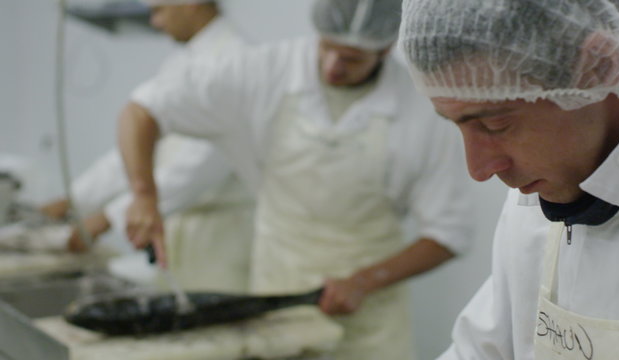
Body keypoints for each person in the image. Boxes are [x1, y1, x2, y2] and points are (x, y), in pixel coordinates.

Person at [117, 0, 475, 358]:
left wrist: (364, 282)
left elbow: (448, 234)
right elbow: (142, 110)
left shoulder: (421, 110)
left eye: (351, 58)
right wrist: (144, 194)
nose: (334, 66)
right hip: (277, 299)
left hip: (371, 322)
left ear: (384, 48)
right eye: (327, 48)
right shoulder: (265, 70)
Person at [399, 0, 619, 358]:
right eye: (458, 125)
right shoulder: (545, 183)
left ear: (600, 66)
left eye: (495, 125)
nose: (480, 168)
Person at [41, 0, 255, 293]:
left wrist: (109, 217)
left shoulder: (237, 61)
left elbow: (199, 167)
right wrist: (75, 200)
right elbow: (136, 152)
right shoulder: (182, 62)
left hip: (218, 237)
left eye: (159, 10)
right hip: (178, 229)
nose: (154, 22)